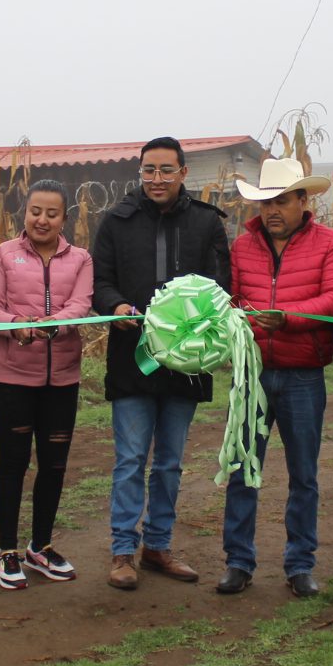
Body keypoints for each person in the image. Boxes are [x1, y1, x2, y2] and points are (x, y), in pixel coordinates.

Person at [91, 137, 232, 590]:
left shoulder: (206, 223)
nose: (157, 179)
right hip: (133, 358)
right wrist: (115, 306)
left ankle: (158, 545)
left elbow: (220, 286)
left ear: (183, 173)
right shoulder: (116, 221)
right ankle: (122, 551)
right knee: (131, 458)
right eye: (149, 170)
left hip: (187, 360)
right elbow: (100, 279)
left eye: (166, 170)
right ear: (140, 172)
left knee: (170, 461)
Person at [217, 157, 333, 599]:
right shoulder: (242, 246)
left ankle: (300, 565)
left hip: (302, 375)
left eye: (281, 201)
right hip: (251, 373)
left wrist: (288, 319)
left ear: (303, 200)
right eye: (265, 202)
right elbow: (232, 299)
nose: (272, 210)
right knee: (242, 470)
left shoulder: (331, 244)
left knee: (304, 475)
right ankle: (238, 562)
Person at [0, 180, 95, 589]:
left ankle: (40, 546)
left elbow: (81, 304)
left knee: (55, 464)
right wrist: (16, 328)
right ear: (23, 213)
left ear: (65, 218)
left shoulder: (80, 258)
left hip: (62, 378)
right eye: (35, 212)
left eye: (52, 213)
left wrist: (55, 323)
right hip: (11, 378)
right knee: (13, 462)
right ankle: (6, 550)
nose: (42, 220)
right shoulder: (3, 255)